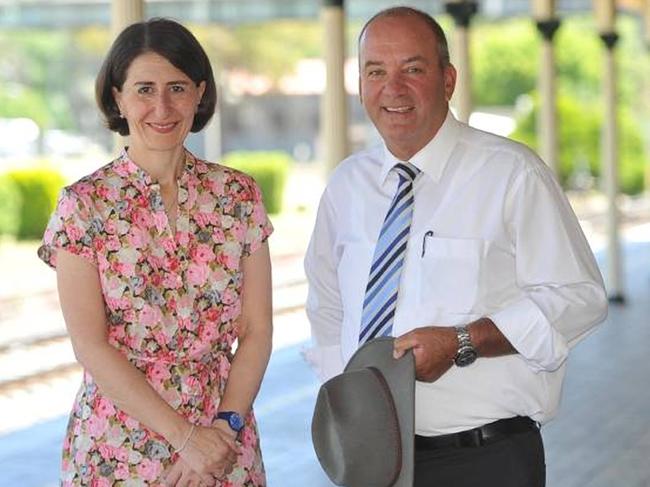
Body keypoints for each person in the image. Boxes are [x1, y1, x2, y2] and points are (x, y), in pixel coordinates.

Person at [304, 6, 608, 486]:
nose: (393, 88)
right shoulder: (346, 186)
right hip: (373, 461)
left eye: (413, 69)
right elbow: (327, 308)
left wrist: (463, 341)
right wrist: (348, 406)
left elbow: (580, 298)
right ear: (360, 84)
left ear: (447, 79)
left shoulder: (511, 173)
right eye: (375, 71)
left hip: (484, 460)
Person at [38, 18, 273, 486]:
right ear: (117, 98)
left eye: (178, 88)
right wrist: (186, 438)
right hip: (118, 445)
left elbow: (257, 329)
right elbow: (90, 344)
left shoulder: (238, 195)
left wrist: (222, 431)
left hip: (225, 436)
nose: (162, 106)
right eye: (144, 89)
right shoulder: (84, 205)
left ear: (200, 94)